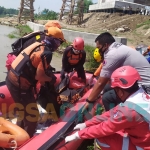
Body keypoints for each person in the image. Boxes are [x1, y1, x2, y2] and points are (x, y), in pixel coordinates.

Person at [65, 66, 150, 150]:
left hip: (144, 146)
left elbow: (104, 128)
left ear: (120, 91)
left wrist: (78, 135)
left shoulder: (128, 111)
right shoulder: (141, 96)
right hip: (144, 137)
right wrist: (86, 124)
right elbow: (111, 113)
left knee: (102, 138)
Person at [5, 26, 65, 137]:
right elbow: (39, 76)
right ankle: (25, 140)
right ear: (55, 41)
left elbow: (34, 63)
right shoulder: (47, 53)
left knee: (23, 110)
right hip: (19, 85)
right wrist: (51, 79)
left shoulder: (38, 44)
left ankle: (19, 130)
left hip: (11, 79)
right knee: (33, 116)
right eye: (59, 42)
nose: (58, 46)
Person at [83, 32, 150, 112]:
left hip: (144, 87)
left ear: (105, 45)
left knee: (107, 98)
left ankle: (116, 119)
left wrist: (89, 101)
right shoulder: (119, 48)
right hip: (138, 82)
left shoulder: (112, 54)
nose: (99, 50)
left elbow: (101, 82)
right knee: (108, 88)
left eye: (99, 47)